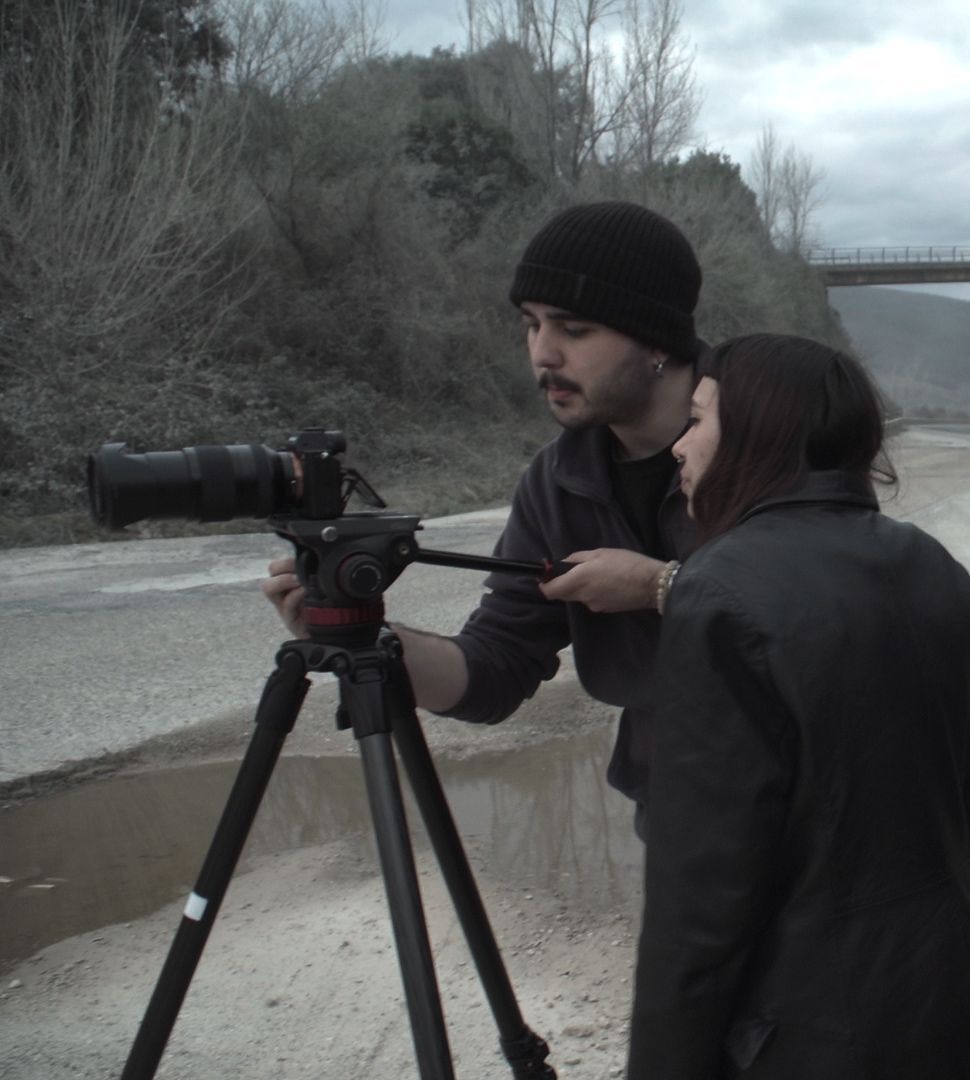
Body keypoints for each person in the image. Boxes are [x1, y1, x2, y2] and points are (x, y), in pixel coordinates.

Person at [628, 334, 970, 1079]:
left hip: (810, 1041)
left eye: (700, 419)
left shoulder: (717, 595)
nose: (680, 447)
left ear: (755, 432)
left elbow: (699, 907)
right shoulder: (935, 567)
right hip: (959, 1013)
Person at [263, 201, 702, 816]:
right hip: (680, 814)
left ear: (656, 339)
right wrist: (364, 636)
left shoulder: (773, 432)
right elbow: (494, 670)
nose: (543, 354)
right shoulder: (558, 481)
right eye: (531, 324)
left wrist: (663, 586)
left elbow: (838, 601)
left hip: (827, 811)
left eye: (573, 330)